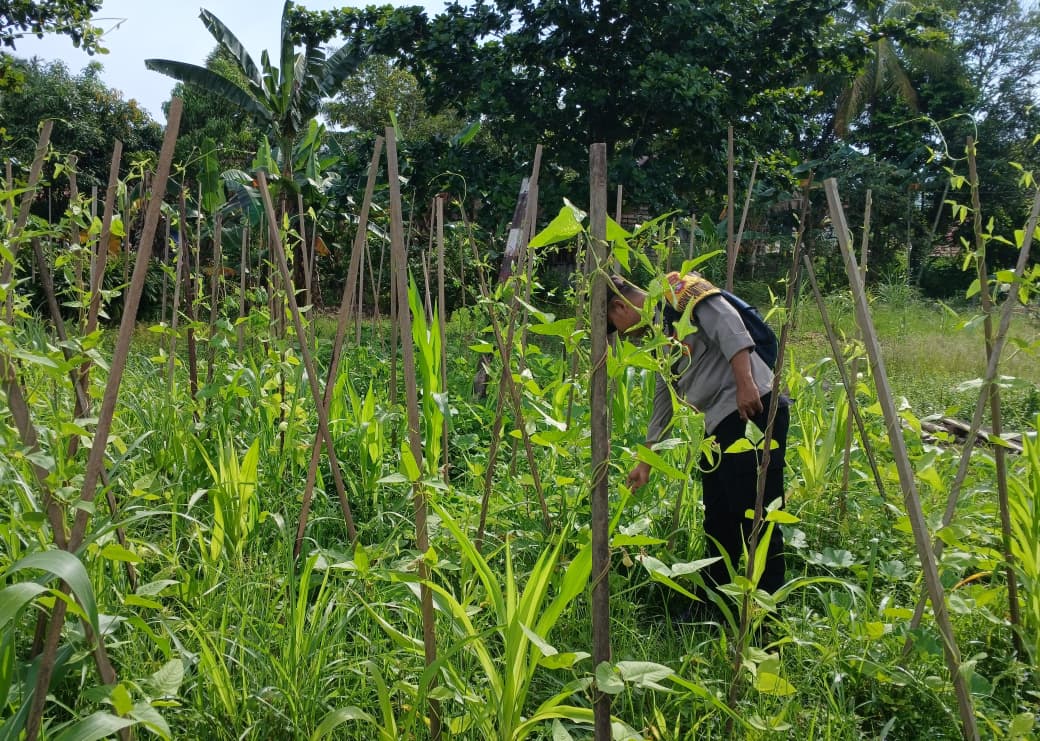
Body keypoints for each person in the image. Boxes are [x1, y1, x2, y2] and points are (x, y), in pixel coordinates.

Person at [606, 272, 789, 601]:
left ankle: (768, 613)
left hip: (751, 410)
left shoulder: (678, 292)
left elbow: (728, 322)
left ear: (619, 308)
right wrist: (647, 461)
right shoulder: (660, 334)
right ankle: (717, 602)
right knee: (719, 518)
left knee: (757, 518)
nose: (625, 339)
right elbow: (666, 393)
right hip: (718, 426)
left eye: (616, 329)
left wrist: (745, 382)